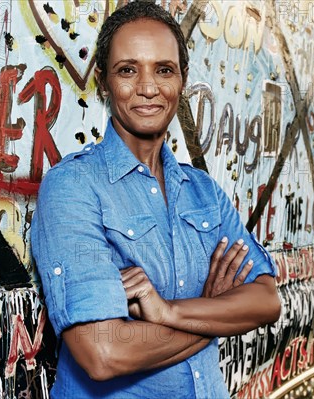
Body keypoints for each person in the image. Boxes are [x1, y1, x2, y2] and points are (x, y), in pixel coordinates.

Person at [31, 2, 282, 397]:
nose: (148, 88)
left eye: (164, 70)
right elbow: (103, 352)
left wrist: (169, 311)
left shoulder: (203, 192)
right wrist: (212, 312)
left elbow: (266, 301)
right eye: (128, 70)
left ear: (182, 81)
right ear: (103, 82)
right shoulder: (73, 187)